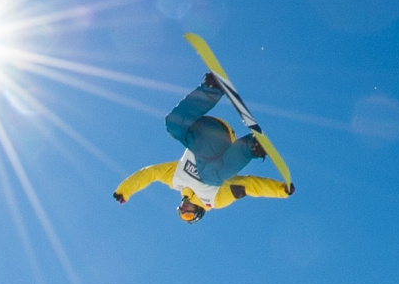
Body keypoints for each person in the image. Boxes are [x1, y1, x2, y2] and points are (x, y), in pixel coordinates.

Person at [114, 74, 292, 223]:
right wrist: (280, 190)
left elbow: (149, 174)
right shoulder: (215, 200)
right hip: (222, 142)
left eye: (181, 211)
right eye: (187, 214)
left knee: (172, 125)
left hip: (202, 131)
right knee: (209, 176)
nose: (183, 209)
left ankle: (211, 88)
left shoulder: (175, 179)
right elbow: (248, 185)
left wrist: (124, 191)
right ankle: (252, 146)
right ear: (198, 212)